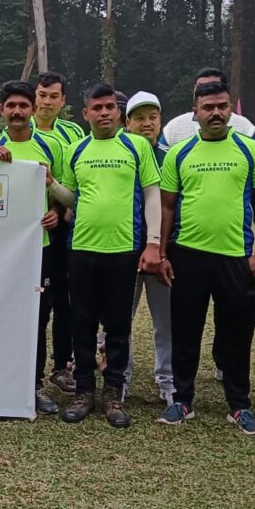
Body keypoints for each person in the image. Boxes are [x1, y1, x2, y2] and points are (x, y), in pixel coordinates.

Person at [157, 81, 255, 434]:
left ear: (231, 109)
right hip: (188, 255)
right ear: (195, 113)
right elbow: (167, 207)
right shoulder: (180, 153)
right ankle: (182, 400)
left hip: (235, 257)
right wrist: (162, 252)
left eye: (222, 106)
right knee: (185, 330)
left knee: (236, 333)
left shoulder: (251, 151)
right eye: (208, 107)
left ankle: (239, 405)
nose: (216, 113)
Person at [47, 83, 163, 428]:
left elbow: (152, 194)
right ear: (86, 113)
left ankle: (113, 395)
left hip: (124, 249)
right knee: (82, 324)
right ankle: (84, 392)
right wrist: (52, 184)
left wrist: (153, 242)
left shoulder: (137, 146)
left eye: (110, 107)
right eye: (97, 108)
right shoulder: (76, 149)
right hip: (82, 249)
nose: (104, 113)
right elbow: (72, 199)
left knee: (118, 326)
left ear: (118, 111)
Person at [0, 81, 62, 414]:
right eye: (10, 106)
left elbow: (63, 191)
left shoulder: (51, 146)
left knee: (36, 319)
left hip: (38, 248)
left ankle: (34, 385)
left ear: (33, 109)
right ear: (2, 110)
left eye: (23, 105)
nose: (17, 111)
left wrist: (57, 212)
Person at [32, 73, 86, 394]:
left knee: (66, 299)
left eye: (54, 96)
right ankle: (31, 368)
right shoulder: (18, 130)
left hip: (63, 225)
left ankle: (61, 366)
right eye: (42, 95)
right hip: (29, 231)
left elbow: (70, 179)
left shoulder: (73, 133)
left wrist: (59, 210)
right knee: (39, 302)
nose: (47, 101)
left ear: (63, 101)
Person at [123, 91, 175, 405]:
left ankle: (167, 381)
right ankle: (121, 378)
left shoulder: (172, 157)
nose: (147, 124)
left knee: (166, 321)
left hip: (163, 254)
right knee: (120, 321)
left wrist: (163, 248)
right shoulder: (120, 154)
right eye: (139, 118)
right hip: (126, 251)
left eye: (152, 117)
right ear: (127, 123)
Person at [160, 68, 255, 146]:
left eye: (214, 86)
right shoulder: (174, 128)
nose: (207, 90)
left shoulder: (244, 127)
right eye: (200, 87)